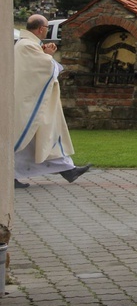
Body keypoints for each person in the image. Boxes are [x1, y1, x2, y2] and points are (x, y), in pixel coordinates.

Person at [14, 14, 92, 189]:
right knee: (30, 139)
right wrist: (48, 55)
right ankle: (12, 175)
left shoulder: (27, 45)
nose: (47, 31)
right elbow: (46, 69)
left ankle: (68, 169)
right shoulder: (26, 46)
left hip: (32, 101)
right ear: (41, 28)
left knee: (45, 136)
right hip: (30, 104)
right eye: (47, 28)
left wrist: (44, 53)